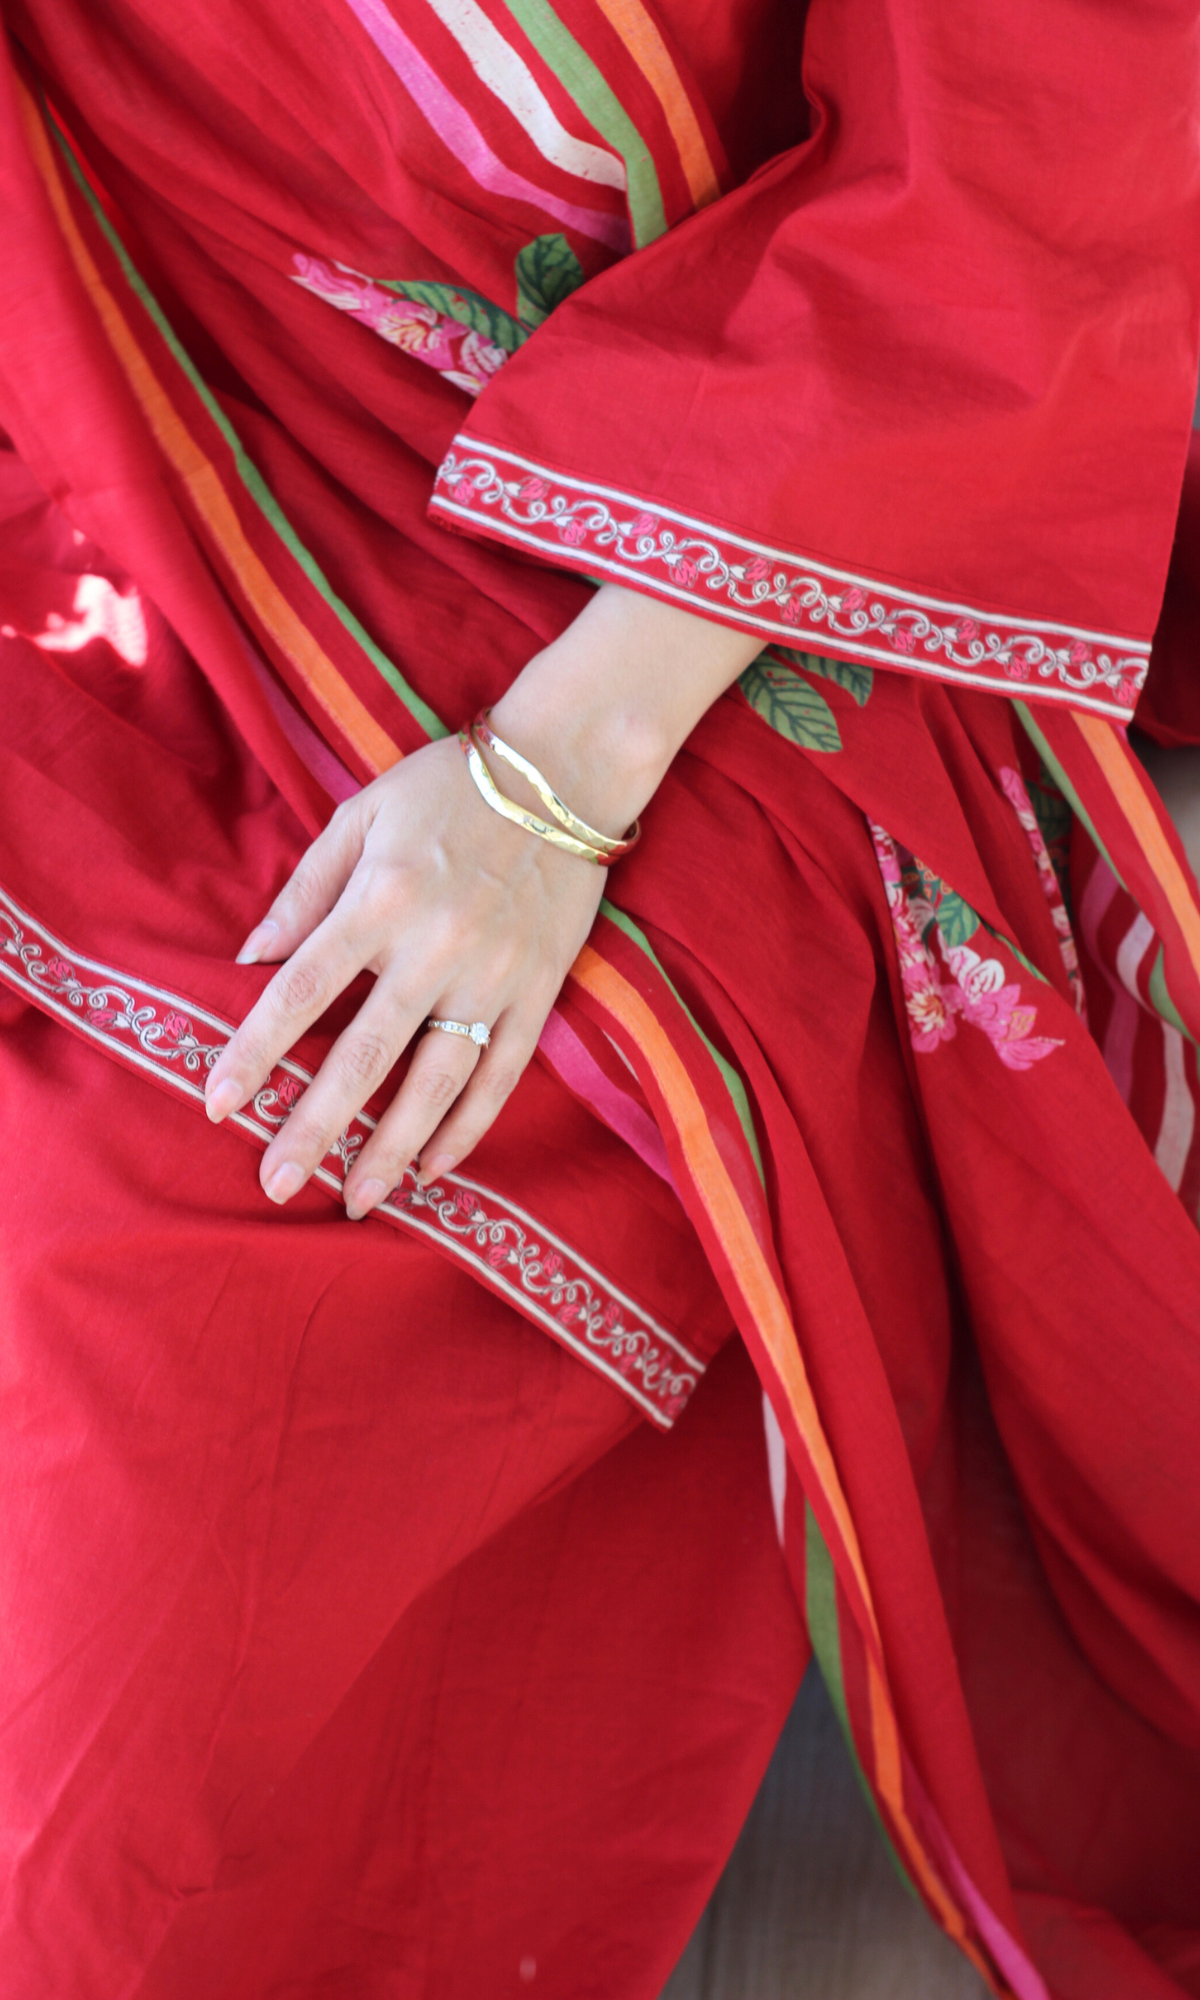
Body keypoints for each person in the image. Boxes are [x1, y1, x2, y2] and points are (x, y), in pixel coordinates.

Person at [2, 1, 1200, 1994]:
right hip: (121, 434)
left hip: (687, 572)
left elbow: (1026, 152)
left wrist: (543, 791)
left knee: (198, 1329)